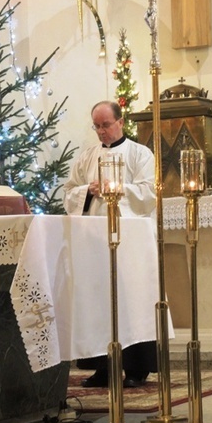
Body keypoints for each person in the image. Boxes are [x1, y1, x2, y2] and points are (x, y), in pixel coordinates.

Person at [63, 100, 157, 388]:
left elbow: (149, 193)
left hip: (130, 242)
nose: (101, 131)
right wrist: (87, 191)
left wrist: (117, 189)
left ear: (120, 122)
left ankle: (136, 368)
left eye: (106, 125)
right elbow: (69, 192)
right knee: (98, 301)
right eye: (97, 126)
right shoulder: (87, 156)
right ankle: (102, 367)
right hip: (94, 240)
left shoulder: (140, 154)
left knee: (130, 299)